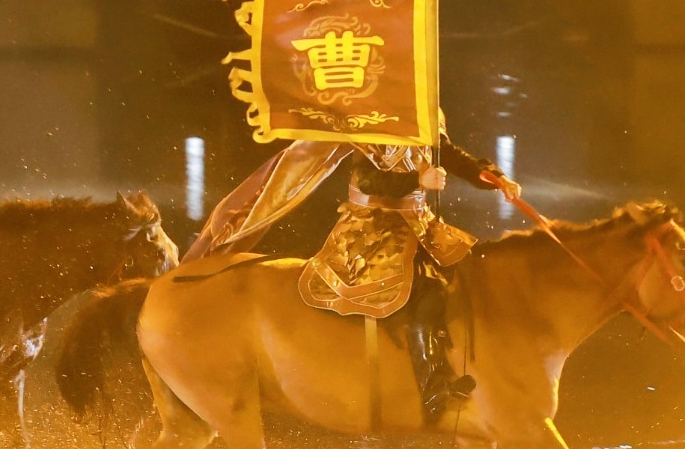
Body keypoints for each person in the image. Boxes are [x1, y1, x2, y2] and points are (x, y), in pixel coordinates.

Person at [186, 133, 519, 422]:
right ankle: (433, 387)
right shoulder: (370, 121)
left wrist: (492, 177)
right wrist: (419, 182)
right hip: (372, 225)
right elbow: (367, 179)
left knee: (467, 275)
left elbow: (449, 154)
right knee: (427, 289)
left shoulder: (423, 106)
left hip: (419, 222)